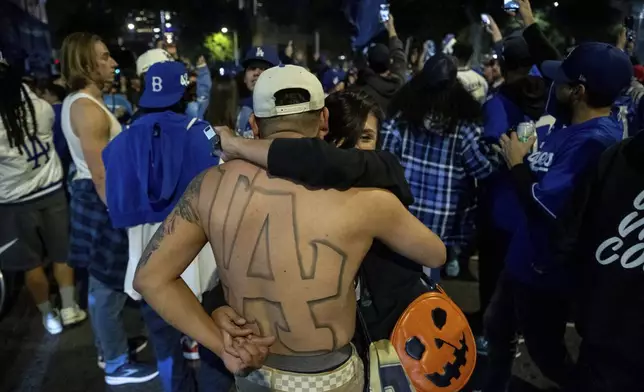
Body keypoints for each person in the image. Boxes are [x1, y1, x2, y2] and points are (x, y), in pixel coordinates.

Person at [134, 65, 446, 391]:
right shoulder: (366, 199)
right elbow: (435, 254)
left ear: (254, 125)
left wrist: (221, 345)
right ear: (324, 120)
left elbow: (150, 278)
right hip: (333, 378)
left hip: (254, 372)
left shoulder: (209, 186)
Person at [486, 42, 632, 391]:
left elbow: (546, 204)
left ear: (578, 91)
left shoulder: (597, 142)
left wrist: (517, 162)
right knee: (497, 328)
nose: (554, 86)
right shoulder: (570, 128)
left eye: (563, 81)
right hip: (522, 260)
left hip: (545, 273)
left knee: (547, 355)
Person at [103, 60, 230, 392]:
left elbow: (115, 205)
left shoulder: (123, 137)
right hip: (196, 251)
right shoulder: (200, 131)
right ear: (183, 89)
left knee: (164, 340)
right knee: (212, 337)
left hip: (146, 252)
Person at [60, 32, 157, 385]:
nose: (113, 63)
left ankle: (108, 349)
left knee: (102, 283)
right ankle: (116, 363)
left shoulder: (83, 103)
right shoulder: (86, 108)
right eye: (104, 57)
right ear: (86, 63)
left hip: (95, 197)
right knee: (109, 284)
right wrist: (122, 216)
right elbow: (100, 174)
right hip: (102, 201)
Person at [382, 53, 499, 282]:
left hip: (399, 223)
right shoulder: (463, 128)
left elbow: (383, 166)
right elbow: (484, 171)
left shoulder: (400, 120)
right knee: (425, 298)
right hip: (438, 231)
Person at [555, 124, 644, 392]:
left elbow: (571, 240)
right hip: (605, 335)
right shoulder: (614, 156)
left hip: (603, 329)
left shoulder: (615, 155)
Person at [0, 57, 85, 335]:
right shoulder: (41, 108)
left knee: (31, 263)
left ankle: (49, 315)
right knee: (61, 253)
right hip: (51, 191)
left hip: (14, 202)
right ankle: (70, 306)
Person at [354, 13, 407, 112]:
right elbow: (398, 55)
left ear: (369, 64)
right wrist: (391, 27)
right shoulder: (399, 83)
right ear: (389, 63)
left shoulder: (360, 92)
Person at [236, 46, 280, 138]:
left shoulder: (284, 109)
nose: (256, 72)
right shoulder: (237, 109)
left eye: (264, 68)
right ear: (244, 78)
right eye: (252, 68)